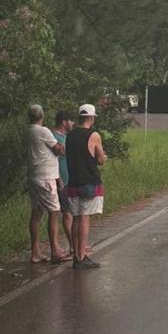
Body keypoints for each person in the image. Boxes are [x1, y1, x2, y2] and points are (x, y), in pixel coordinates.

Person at [66, 103, 107, 269]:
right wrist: (104, 157)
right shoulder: (94, 135)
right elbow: (100, 158)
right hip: (89, 181)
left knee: (75, 218)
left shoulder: (70, 135)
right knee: (84, 218)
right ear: (91, 118)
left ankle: (76, 255)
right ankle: (82, 256)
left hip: (73, 181)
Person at [26, 104, 64, 264]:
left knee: (36, 213)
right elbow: (58, 150)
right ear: (42, 115)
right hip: (46, 177)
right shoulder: (43, 131)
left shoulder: (28, 131)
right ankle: (55, 249)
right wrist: (62, 145)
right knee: (54, 211)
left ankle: (35, 251)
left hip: (34, 175)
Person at [52, 109, 75, 258]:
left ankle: (76, 244)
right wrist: (59, 179)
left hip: (70, 179)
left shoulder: (66, 137)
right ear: (64, 122)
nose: (72, 124)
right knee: (67, 213)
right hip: (61, 180)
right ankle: (73, 246)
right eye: (70, 121)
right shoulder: (53, 137)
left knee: (71, 212)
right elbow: (53, 160)